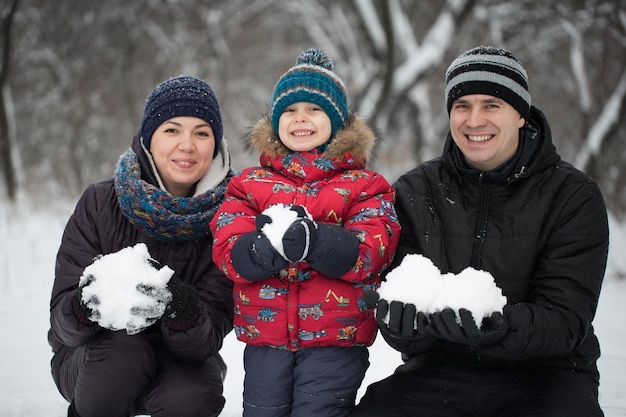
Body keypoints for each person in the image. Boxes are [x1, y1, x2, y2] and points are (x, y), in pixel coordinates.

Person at [353, 46, 609, 417]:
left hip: (549, 374)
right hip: (440, 372)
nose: (475, 120)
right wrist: (401, 325)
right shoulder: (415, 191)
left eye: (492, 105)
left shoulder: (572, 195)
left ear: (520, 114)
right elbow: (401, 297)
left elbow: (566, 318)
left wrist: (497, 327)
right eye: (462, 106)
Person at [210, 48, 400, 417]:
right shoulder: (250, 184)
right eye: (291, 111)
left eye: (314, 110)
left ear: (337, 120)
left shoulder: (365, 186)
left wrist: (319, 241)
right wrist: (259, 250)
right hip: (266, 342)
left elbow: (375, 246)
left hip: (336, 340)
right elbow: (227, 241)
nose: (301, 119)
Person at [48, 75, 235, 417]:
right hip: (94, 356)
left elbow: (206, 340)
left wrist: (181, 305)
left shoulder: (231, 218)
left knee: (193, 395)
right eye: (172, 130)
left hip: (179, 359)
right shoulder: (99, 202)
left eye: (202, 133)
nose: (187, 145)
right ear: (150, 138)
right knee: (123, 356)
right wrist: (85, 304)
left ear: (216, 144)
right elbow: (62, 327)